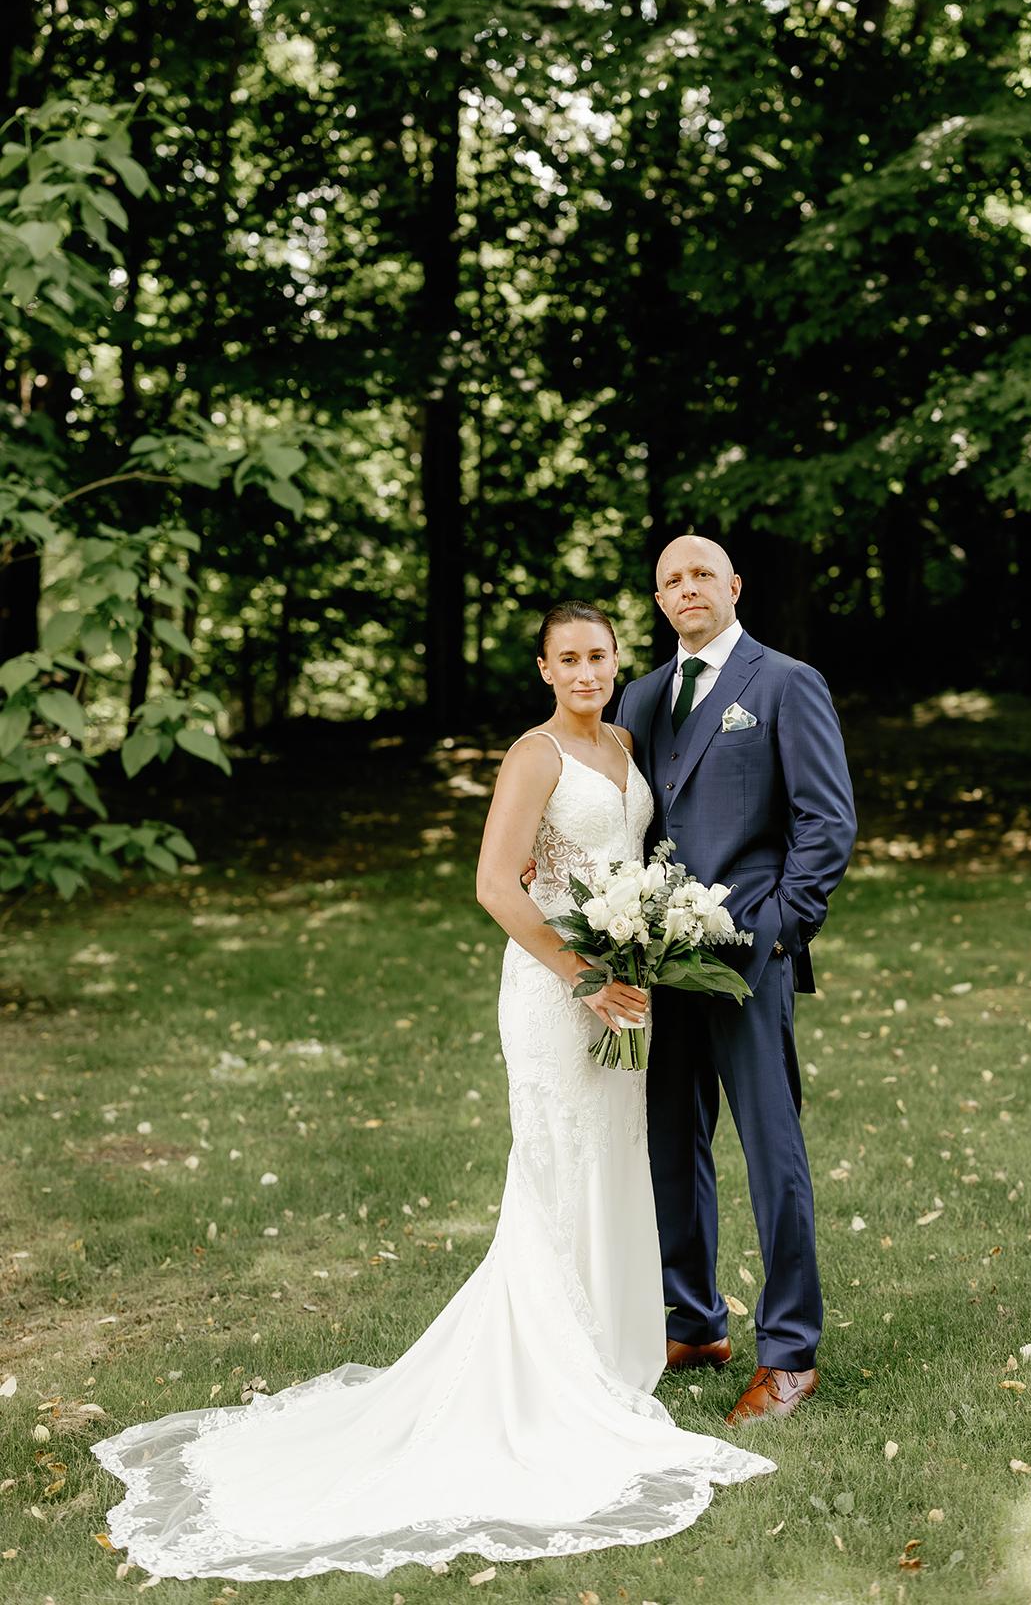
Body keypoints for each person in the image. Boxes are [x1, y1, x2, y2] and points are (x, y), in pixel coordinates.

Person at [90, 600, 774, 1585]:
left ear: (617, 660)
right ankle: (552, 1371)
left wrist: (636, 947)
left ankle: (620, 1359)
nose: (586, 671)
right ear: (543, 668)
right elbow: (498, 884)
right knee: (556, 1167)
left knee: (618, 1160)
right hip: (556, 990)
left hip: (626, 984)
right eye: (567, 659)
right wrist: (580, 971)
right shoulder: (533, 755)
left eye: (598, 655)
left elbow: (620, 859)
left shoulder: (626, 740)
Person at [614, 536, 856, 1424]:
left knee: (772, 1154)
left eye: (702, 574)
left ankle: (790, 1352)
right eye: (671, 579)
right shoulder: (640, 697)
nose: (687, 589)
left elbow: (826, 822)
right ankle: (694, 1321)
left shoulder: (785, 682)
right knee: (670, 1149)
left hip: (749, 966)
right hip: (657, 963)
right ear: (659, 599)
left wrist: (779, 932)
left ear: (733, 587)